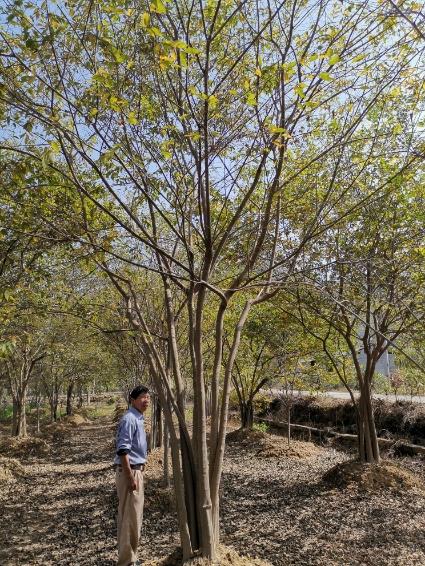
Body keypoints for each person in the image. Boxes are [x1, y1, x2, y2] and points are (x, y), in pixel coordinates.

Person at [114, 385, 150, 566]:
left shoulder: (138, 418)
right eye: (142, 397)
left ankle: (131, 557)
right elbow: (122, 450)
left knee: (133, 517)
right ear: (133, 400)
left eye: (148, 397)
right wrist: (130, 478)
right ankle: (127, 561)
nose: (146, 400)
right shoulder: (130, 419)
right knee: (130, 518)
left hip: (136, 471)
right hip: (131, 472)